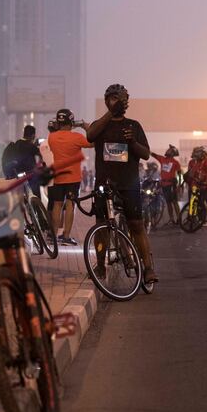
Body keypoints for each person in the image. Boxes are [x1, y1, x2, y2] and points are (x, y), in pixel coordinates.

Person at [86, 84, 158, 284]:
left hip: (129, 184)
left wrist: (133, 142)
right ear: (107, 100)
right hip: (104, 185)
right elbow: (90, 135)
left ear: (126, 103)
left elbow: (145, 154)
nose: (116, 102)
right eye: (113, 99)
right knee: (101, 227)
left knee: (137, 225)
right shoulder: (100, 125)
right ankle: (100, 265)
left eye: (120, 99)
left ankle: (148, 268)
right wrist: (110, 114)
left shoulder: (134, 125)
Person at [48, 109, 92, 246]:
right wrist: (86, 127)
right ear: (71, 121)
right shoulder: (77, 137)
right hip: (73, 178)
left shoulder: (52, 137)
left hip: (58, 177)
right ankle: (66, 236)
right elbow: (93, 143)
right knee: (70, 206)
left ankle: (54, 236)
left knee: (57, 205)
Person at [2, 125, 43, 196]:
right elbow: (41, 155)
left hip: (17, 174)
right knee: (36, 194)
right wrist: (39, 166)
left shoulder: (16, 143)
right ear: (33, 135)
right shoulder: (31, 146)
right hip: (29, 175)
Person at [150, 145, 182, 225]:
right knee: (168, 202)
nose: (167, 151)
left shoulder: (176, 162)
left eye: (169, 150)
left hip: (172, 184)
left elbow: (179, 174)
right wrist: (147, 150)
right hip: (164, 185)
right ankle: (171, 218)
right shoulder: (162, 159)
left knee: (174, 202)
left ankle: (179, 218)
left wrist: (179, 185)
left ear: (172, 153)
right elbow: (154, 155)